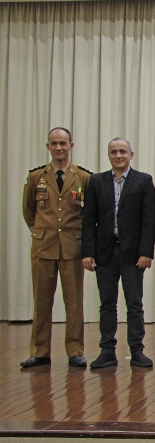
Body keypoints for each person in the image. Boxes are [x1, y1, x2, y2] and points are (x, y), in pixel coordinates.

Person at [82, 138, 155, 368]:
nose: (118, 156)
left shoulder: (143, 180)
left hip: (133, 254)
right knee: (107, 304)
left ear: (131, 155)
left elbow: (149, 220)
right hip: (104, 252)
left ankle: (137, 350)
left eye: (123, 151)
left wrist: (146, 252)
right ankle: (107, 350)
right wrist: (87, 252)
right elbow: (88, 220)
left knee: (134, 303)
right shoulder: (96, 181)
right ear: (109, 155)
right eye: (114, 152)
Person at [21, 127, 92, 368]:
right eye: (54, 143)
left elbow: (88, 213)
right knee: (41, 302)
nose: (59, 148)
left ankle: (75, 351)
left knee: (74, 303)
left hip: (72, 248)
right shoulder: (36, 177)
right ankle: (40, 352)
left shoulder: (83, 177)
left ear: (71, 146)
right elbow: (29, 210)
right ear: (48, 147)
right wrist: (41, 231)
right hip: (44, 248)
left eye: (63, 143)